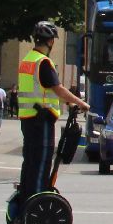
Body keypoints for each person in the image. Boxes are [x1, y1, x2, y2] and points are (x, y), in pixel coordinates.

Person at [14, 22, 90, 206]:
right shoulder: (43, 62)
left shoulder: (27, 60)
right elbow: (57, 89)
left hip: (27, 119)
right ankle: (37, 197)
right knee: (42, 160)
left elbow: (40, 90)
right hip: (41, 120)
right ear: (50, 42)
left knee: (30, 160)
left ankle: (26, 193)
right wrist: (81, 103)